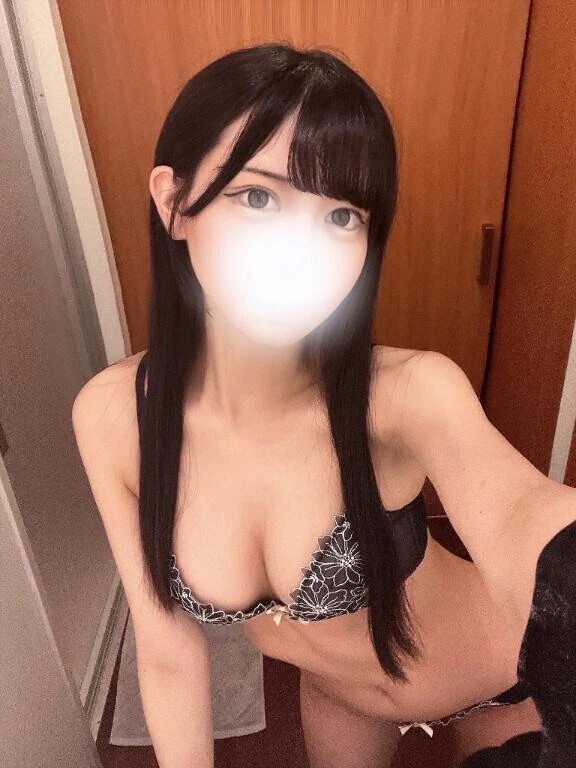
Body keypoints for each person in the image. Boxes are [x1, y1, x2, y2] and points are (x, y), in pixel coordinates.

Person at [72, 43, 575, 768]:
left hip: (499, 682)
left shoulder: (407, 392)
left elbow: (526, 515)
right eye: (259, 198)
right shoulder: (112, 418)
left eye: (342, 215)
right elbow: (168, 650)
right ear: (174, 202)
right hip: (340, 699)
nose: (300, 252)